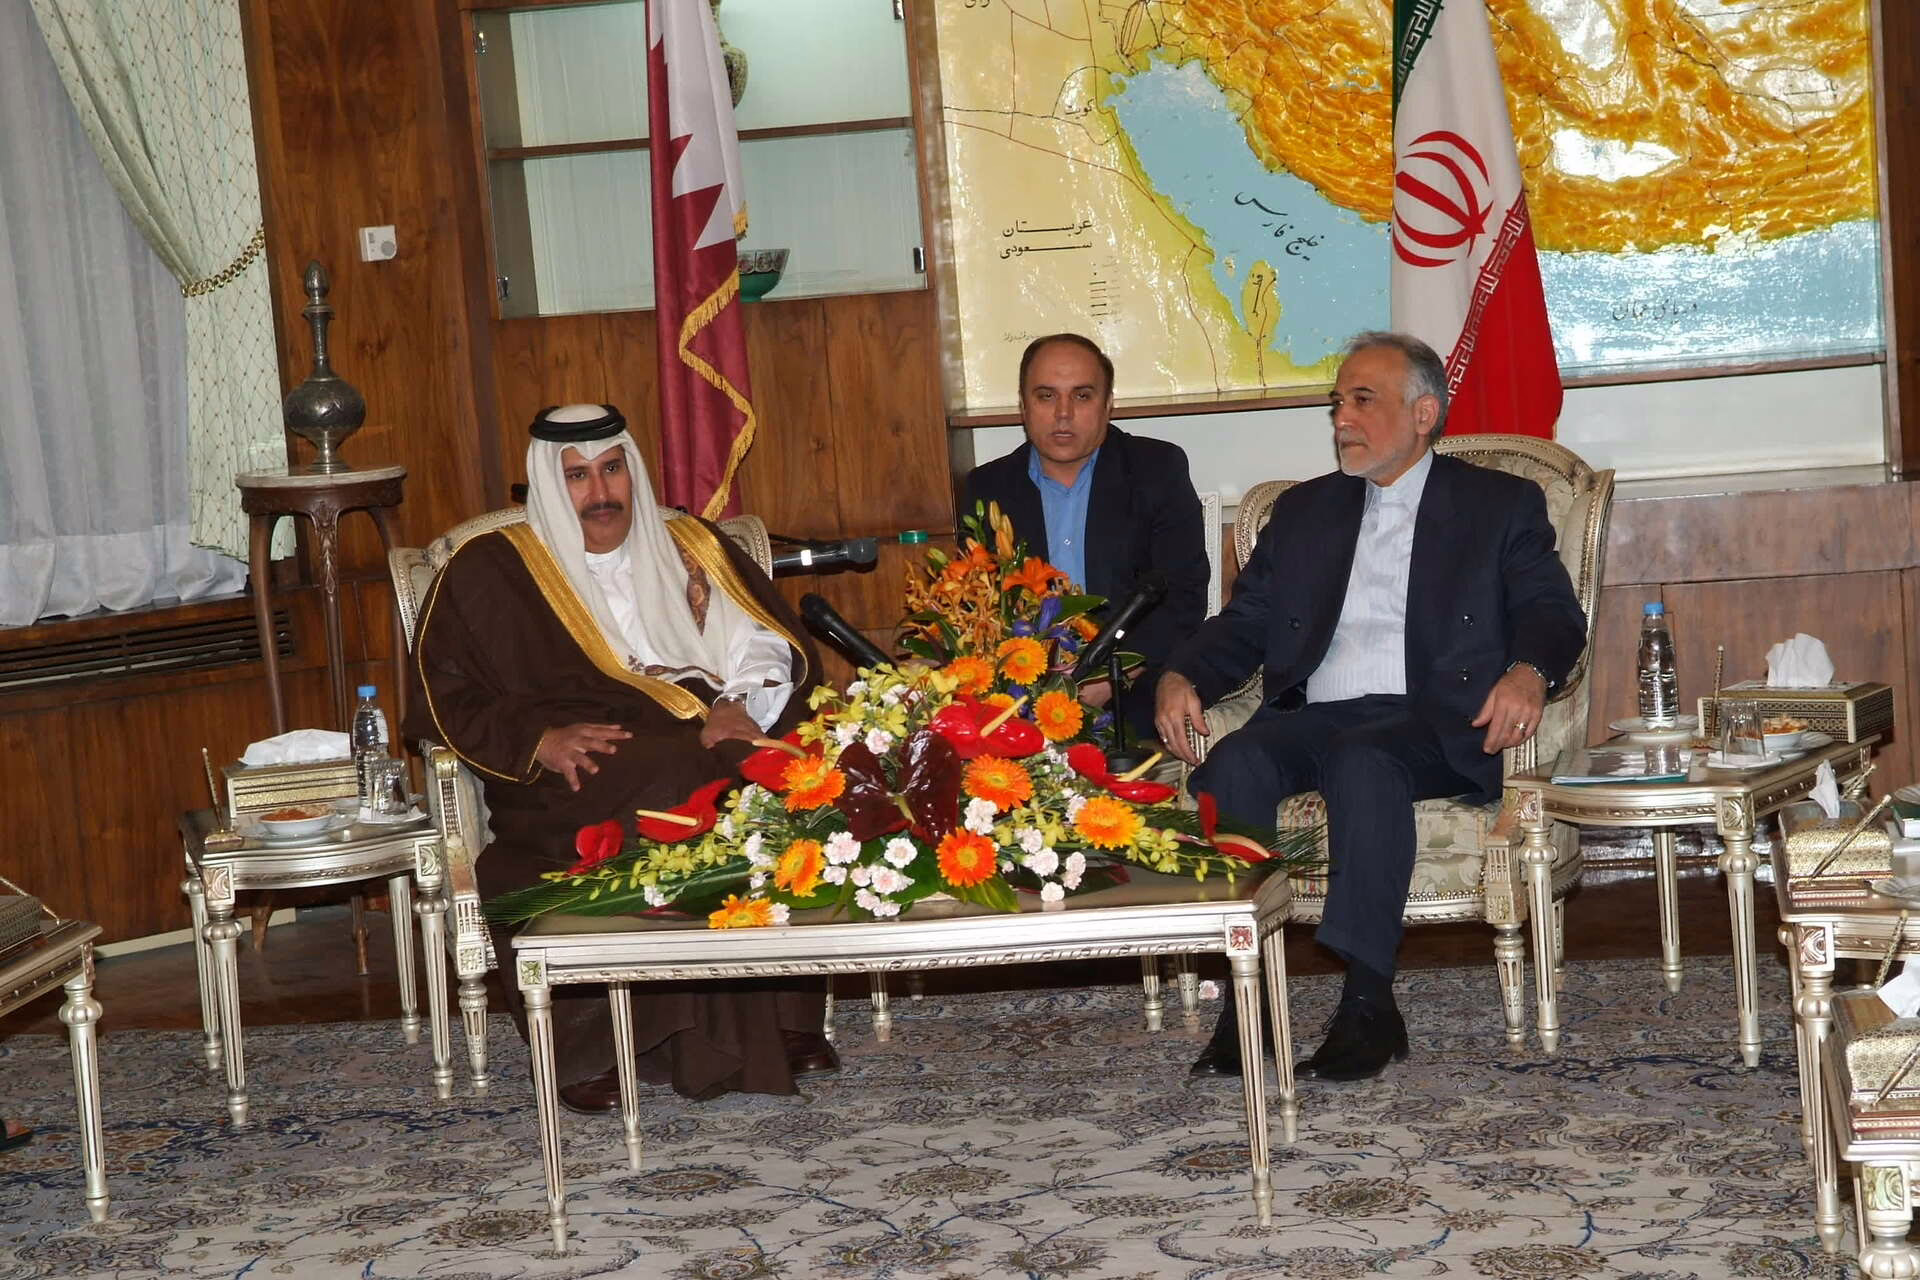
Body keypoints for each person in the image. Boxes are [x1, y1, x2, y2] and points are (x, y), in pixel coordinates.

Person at [1156, 332, 1586, 1082]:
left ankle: (1367, 1003)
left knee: (1365, 761)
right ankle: (1248, 999)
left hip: (1436, 720)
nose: (1342, 419)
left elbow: (1552, 611)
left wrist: (1528, 671)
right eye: (1337, 403)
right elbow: (1247, 622)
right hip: (1319, 714)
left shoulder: (1497, 504)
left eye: (1362, 400)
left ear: (1423, 413)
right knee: (1234, 764)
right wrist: (1181, 673)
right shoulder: (1305, 511)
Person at [406, 403, 837, 1110]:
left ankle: (778, 1021)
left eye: (612, 470)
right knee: (667, 779)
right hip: (571, 773)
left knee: (775, 774)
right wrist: (537, 740)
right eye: (577, 476)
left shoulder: (689, 544)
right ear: (549, 484)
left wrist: (738, 703)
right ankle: (613, 1043)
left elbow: (763, 643)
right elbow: (447, 695)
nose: (600, 492)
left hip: (703, 733)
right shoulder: (492, 569)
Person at [963, 333, 1208, 738]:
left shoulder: (1155, 469)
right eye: (1046, 396)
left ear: (1108, 404)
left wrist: (1112, 672)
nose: (1063, 414)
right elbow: (981, 609)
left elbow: (1183, 594)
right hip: (1024, 687)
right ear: (1023, 406)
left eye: (1081, 396)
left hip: (1132, 681)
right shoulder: (989, 487)